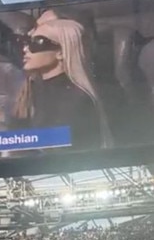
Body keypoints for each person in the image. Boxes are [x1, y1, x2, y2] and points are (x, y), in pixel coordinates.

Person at [13, 18, 111, 150]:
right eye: (27, 42)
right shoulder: (30, 90)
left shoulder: (77, 98)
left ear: (60, 52)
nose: (26, 49)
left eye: (37, 43)